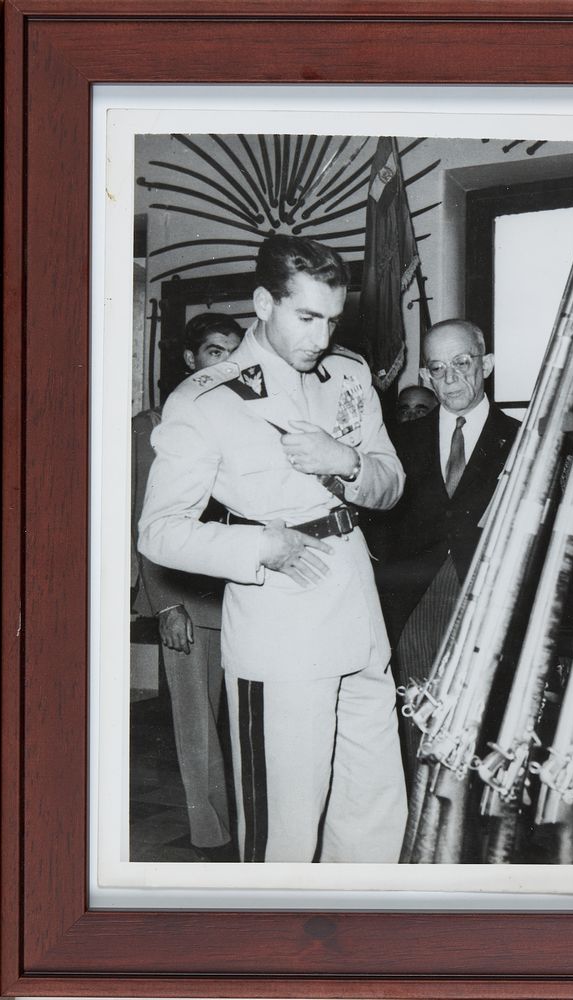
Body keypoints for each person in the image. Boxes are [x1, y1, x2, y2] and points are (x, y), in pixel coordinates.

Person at [138, 234, 407, 863]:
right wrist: (260, 545)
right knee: (283, 826)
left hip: (358, 608)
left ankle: (359, 944)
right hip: (281, 616)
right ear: (264, 302)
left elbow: (390, 485)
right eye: (307, 317)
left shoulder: (349, 374)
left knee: (371, 807)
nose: (321, 336)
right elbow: (159, 529)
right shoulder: (204, 400)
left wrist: (343, 461)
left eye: (332, 319)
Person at [368, 319, 520, 780]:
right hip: (415, 601)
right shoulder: (398, 441)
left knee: (483, 720)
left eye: (462, 363)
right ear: (426, 377)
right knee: (416, 713)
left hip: (489, 600)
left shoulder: (521, 440)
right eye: (438, 367)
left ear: (486, 365)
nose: (450, 377)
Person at [132, 312, 242, 862]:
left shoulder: (251, 418)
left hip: (247, 592)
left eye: (236, 350)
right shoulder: (153, 424)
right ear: (192, 360)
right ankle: (212, 834)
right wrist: (167, 603)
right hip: (188, 597)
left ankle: (250, 826)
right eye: (217, 351)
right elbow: (145, 524)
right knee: (197, 724)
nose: (229, 362)